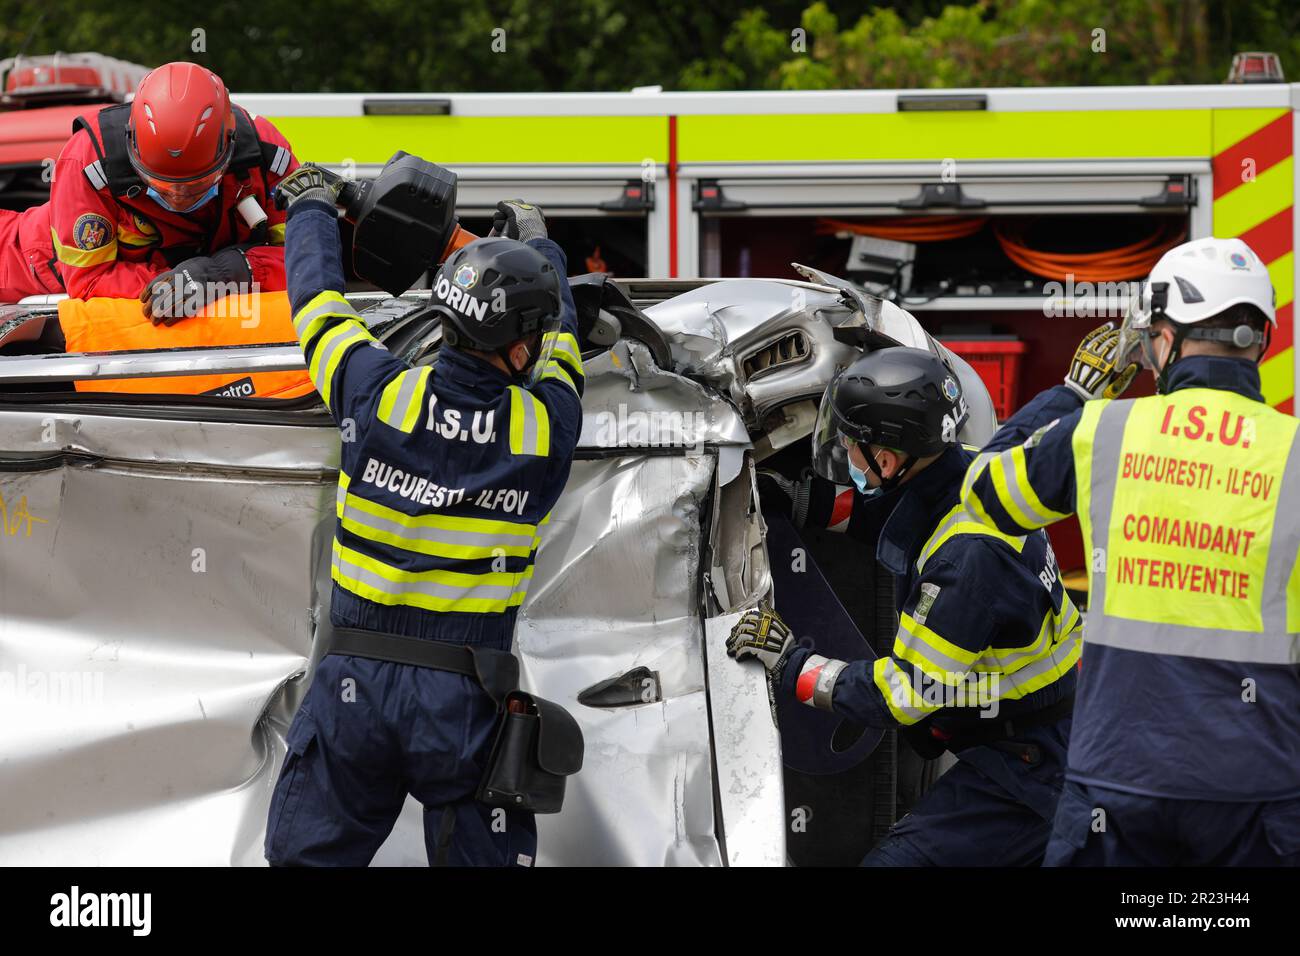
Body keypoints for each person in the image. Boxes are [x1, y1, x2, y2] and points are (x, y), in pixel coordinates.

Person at [263, 166, 584, 867]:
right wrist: (542, 248)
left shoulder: (375, 392)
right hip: (464, 700)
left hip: (354, 687)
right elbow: (564, 343)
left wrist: (312, 207)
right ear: (519, 347)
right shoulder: (544, 429)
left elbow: (317, 303)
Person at [961, 236, 1300, 866]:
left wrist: (1074, 394)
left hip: (1119, 780)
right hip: (1257, 784)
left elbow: (983, 491)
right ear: (1264, 342)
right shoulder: (1294, 453)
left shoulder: (1103, 432)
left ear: (1165, 340)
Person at [729, 346, 1082, 865]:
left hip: (1030, 768)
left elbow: (903, 696)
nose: (844, 452)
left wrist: (791, 666)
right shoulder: (973, 471)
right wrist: (804, 502)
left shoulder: (965, 564)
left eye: (852, 444)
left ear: (889, 460)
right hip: (1041, 733)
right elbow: (897, 513)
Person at [0, 61, 298, 321]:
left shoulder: (266, 157)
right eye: (162, 185)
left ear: (229, 148)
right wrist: (180, 283)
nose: (179, 196)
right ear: (132, 145)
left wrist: (226, 271)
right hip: (23, 266)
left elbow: (308, 255)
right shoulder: (90, 162)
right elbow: (90, 280)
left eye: (196, 185)